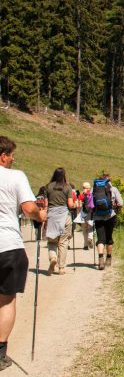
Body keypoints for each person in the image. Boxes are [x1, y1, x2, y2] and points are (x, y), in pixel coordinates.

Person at [0, 136, 47, 370]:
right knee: (6, 300)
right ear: (3, 156)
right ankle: (0, 353)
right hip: (7, 245)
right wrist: (41, 215)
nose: (13, 159)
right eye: (11, 155)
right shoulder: (15, 176)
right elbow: (29, 208)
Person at [43, 168, 75, 275]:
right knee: (63, 242)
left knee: (52, 241)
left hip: (52, 215)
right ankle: (61, 268)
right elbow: (70, 205)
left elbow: (46, 205)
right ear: (64, 175)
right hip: (65, 216)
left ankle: (53, 257)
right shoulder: (67, 187)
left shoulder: (48, 186)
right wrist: (75, 205)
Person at [93, 174, 122, 270]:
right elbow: (121, 203)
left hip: (98, 217)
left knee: (100, 239)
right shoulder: (113, 189)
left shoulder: (95, 189)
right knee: (109, 238)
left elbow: (90, 203)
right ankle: (108, 258)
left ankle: (101, 259)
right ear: (109, 180)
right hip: (110, 216)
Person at [74, 182, 94, 250]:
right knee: (90, 228)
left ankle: (85, 245)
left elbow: (79, 206)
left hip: (83, 214)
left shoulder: (81, 195)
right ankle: (90, 238)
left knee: (84, 230)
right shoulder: (92, 194)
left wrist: (78, 214)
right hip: (90, 214)